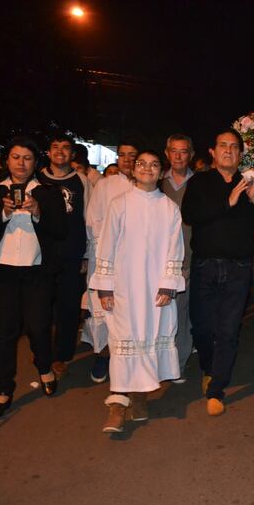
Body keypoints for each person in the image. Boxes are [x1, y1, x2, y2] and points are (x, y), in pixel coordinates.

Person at [181, 128, 254, 416]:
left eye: (234, 147)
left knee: (228, 329)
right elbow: (189, 215)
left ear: (240, 153)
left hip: (239, 268)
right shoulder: (200, 181)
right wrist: (228, 203)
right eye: (223, 145)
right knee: (202, 326)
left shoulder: (248, 184)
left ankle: (216, 388)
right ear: (212, 151)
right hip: (205, 265)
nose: (229, 151)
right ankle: (209, 368)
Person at [91, 150, 185, 433]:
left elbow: (174, 247)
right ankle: (118, 407)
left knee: (149, 339)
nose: (147, 168)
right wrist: (105, 288)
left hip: (156, 289)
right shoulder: (119, 204)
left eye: (154, 164)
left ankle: (140, 399)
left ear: (161, 171)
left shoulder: (169, 208)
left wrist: (169, 281)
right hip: (124, 287)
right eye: (142, 163)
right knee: (123, 343)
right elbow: (106, 245)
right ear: (134, 169)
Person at [0, 136, 67, 416]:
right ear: (7, 160)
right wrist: (3, 213)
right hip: (4, 270)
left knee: (39, 326)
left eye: (27, 158)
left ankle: (44, 368)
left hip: (36, 270)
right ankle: (4, 388)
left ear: (35, 162)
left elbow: (60, 231)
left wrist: (39, 212)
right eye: (16, 157)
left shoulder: (48, 192)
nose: (21, 163)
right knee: (4, 331)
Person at [83, 139, 139, 383]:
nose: (127, 159)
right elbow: (92, 221)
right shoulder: (105, 185)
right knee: (105, 309)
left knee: (133, 311)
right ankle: (103, 356)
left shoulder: (147, 186)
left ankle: (131, 359)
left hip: (137, 262)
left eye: (132, 155)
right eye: (123, 155)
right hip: (107, 258)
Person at [39, 133, 91, 379]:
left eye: (66, 148)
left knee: (68, 307)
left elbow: (88, 219)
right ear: (48, 152)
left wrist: (87, 254)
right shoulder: (36, 178)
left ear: (72, 154)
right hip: (41, 254)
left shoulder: (81, 180)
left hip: (73, 252)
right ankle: (42, 352)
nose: (60, 151)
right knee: (40, 307)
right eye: (55, 147)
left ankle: (62, 355)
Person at [161, 134, 196, 380]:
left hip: (189, 258)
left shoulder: (200, 184)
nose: (178, 156)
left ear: (191, 154)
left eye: (183, 151)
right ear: (167, 153)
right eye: (174, 151)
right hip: (157, 260)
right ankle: (157, 363)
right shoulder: (156, 183)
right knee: (160, 314)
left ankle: (178, 363)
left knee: (182, 313)